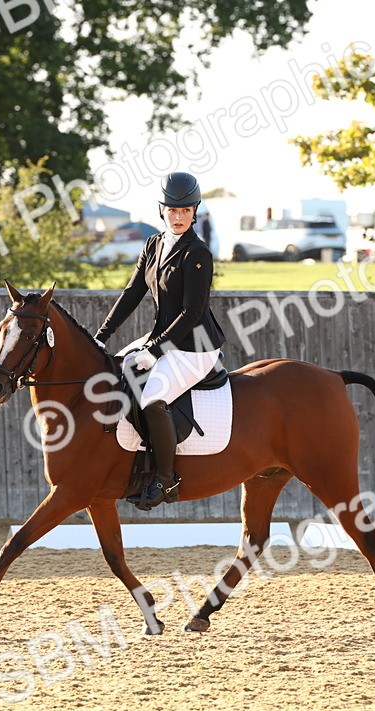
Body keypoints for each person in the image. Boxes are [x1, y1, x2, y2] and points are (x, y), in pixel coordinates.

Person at [94, 171, 227, 511]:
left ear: (195, 211)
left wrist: (154, 351)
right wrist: (102, 335)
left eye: (185, 211)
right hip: (163, 337)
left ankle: (165, 480)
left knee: (152, 397)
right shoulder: (153, 245)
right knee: (119, 372)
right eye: (172, 210)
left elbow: (192, 314)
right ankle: (140, 463)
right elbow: (131, 293)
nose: (179, 217)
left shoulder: (197, 253)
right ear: (161, 210)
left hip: (196, 345)